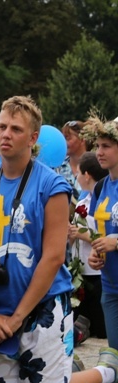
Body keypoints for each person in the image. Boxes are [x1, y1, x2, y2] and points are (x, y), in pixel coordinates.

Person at [0, 95, 117, 383]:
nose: (6, 134)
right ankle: (61, 371)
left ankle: (106, 371)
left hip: (43, 305)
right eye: (2, 127)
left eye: (16, 129)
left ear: (33, 138)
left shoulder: (52, 186)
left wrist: (19, 316)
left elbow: (53, 257)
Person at [87, 116, 118, 354]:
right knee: (115, 353)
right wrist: (94, 255)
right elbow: (98, 232)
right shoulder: (100, 187)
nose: (99, 152)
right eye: (97, 146)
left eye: (106, 146)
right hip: (110, 285)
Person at [68, 151, 107, 340]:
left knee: (101, 331)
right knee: (81, 326)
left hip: (98, 273)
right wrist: (70, 234)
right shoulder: (82, 202)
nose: (76, 176)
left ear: (87, 175)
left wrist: (84, 235)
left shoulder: (105, 201)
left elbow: (108, 237)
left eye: (77, 173)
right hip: (81, 271)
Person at [59, 120, 90, 200]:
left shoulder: (95, 165)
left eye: (67, 138)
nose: (63, 142)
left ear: (82, 140)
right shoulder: (58, 167)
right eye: (63, 138)